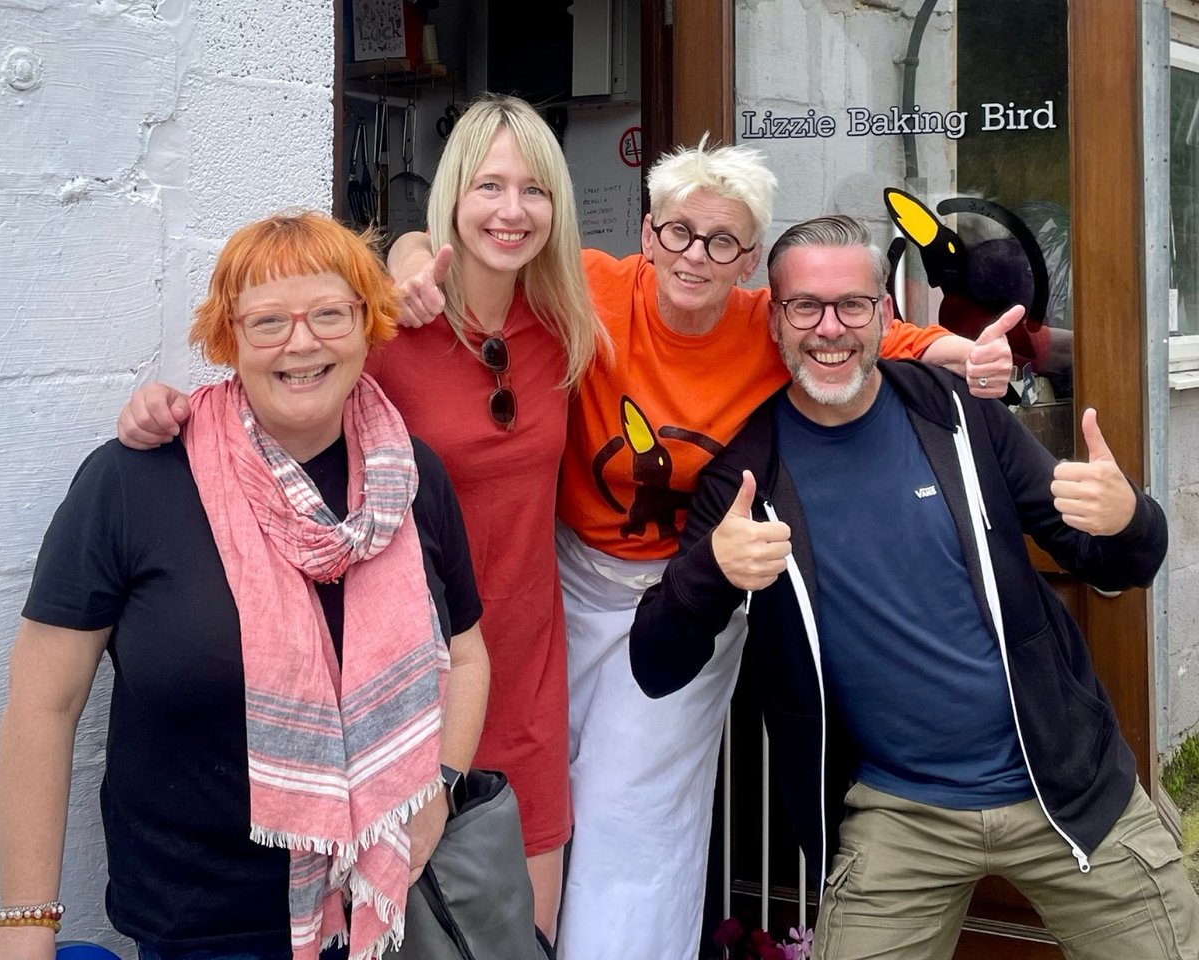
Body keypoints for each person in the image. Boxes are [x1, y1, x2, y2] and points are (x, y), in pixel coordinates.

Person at [385, 137, 1019, 960]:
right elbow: (458, 258)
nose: (697, 255)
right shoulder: (588, 286)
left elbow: (880, 336)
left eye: (723, 241)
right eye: (680, 232)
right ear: (648, 236)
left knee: (634, 815)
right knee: (548, 794)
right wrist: (404, 254)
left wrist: (959, 352)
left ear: (749, 257)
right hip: (566, 580)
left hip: (684, 595)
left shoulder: (766, 324)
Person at [629, 214, 1199, 959]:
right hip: (897, 815)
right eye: (806, 307)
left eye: (852, 306)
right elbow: (655, 662)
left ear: (885, 315)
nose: (829, 330)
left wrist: (1130, 519)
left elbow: (1116, 562)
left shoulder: (959, 418)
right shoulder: (746, 476)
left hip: (1063, 789)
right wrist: (711, 572)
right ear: (774, 320)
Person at [111, 94, 606, 942]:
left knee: (512, 940)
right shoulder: (385, 322)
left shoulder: (571, 326)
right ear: (451, 195)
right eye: (489, 185)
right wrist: (163, 412)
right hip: (398, 700)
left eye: (535, 190)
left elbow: (728, 306)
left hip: (518, 680)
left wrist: (903, 339)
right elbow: (276, 387)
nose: (512, 210)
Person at [0, 211, 490, 960]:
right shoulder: (133, 481)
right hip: (198, 926)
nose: (302, 342)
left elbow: (469, 652)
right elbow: (43, 706)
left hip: (384, 908)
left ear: (368, 324)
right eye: (268, 322)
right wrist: (25, 929)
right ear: (229, 337)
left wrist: (440, 785)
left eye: (330, 313)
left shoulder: (413, 476)